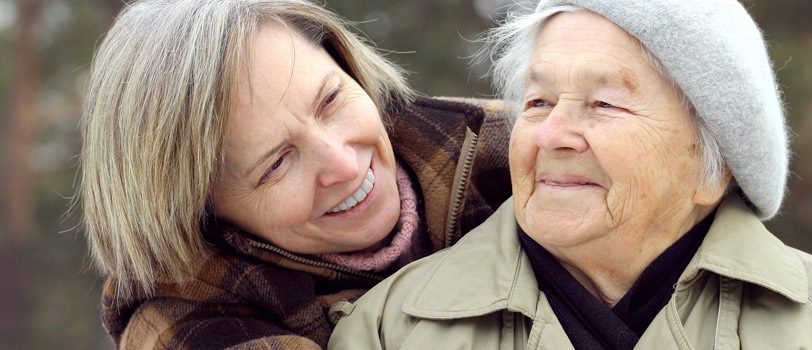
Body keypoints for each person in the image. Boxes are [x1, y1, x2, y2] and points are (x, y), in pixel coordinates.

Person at [328, 0, 812, 348]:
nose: (550, 135)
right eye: (540, 101)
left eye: (603, 105)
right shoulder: (394, 326)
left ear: (712, 169)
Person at [78, 0, 510, 348]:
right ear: (200, 212)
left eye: (330, 102)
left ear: (347, 65)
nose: (342, 165)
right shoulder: (188, 324)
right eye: (277, 164)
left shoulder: (506, 145)